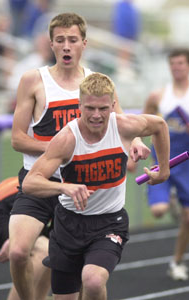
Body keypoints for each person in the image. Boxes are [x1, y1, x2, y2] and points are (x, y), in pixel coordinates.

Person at [9, 12, 150, 300]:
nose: (66, 46)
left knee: (86, 275)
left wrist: (135, 142)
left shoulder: (97, 82)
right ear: (51, 44)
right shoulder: (33, 81)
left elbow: (121, 123)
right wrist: (62, 150)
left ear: (84, 43)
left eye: (72, 40)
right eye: (59, 40)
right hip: (42, 181)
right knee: (19, 252)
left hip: (84, 190)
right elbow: (17, 139)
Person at [22, 72, 170, 300]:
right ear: (79, 105)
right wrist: (65, 188)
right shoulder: (67, 139)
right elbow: (30, 183)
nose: (96, 116)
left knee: (93, 280)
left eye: (103, 108)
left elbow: (160, 125)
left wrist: (163, 171)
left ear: (113, 105)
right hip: (68, 225)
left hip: (109, 222)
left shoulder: (123, 126)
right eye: (90, 108)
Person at [143, 47, 189, 281]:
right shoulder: (158, 96)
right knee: (158, 211)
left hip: (188, 161)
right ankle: (171, 201)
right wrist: (138, 145)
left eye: (181, 63)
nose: (177, 67)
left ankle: (177, 261)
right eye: (173, 63)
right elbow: (142, 122)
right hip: (162, 161)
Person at [0, 177, 51, 300]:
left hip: (23, 215)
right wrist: (14, 236)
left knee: (55, 251)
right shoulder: (50, 179)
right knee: (44, 250)